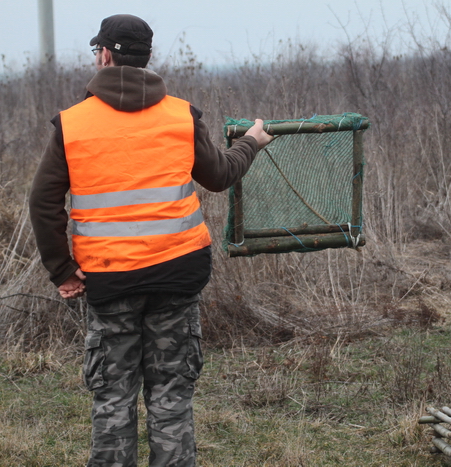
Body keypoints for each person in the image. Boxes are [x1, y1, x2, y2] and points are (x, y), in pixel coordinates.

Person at [28, 14, 272, 467]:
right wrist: (251, 143)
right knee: (172, 396)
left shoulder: (72, 124)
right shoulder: (181, 114)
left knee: (114, 399)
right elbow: (220, 175)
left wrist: (62, 270)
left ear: (103, 54)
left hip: (110, 282)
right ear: (147, 58)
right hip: (178, 276)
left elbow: (42, 202)